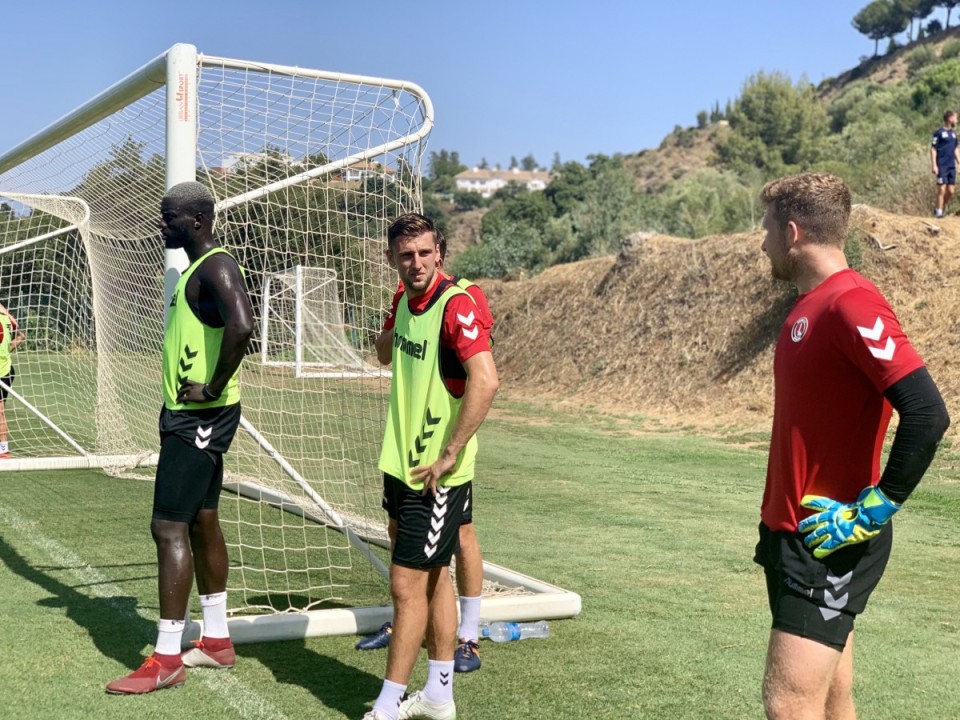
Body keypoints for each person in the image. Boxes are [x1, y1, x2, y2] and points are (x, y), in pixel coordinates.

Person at [754, 172, 949, 720]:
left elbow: (927, 414)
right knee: (831, 697)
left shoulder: (852, 303)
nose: (762, 243)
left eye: (766, 230)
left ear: (793, 233)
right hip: (792, 534)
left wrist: (875, 507)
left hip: (828, 543)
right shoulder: (808, 306)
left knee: (788, 704)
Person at [107, 181, 254, 695]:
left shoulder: (216, 265)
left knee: (167, 526)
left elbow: (242, 325)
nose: (161, 224)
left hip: (201, 417)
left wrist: (210, 387)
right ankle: (216, 640)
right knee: (201, 519)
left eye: (168, 217)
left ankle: (167, 657)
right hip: (189, 415)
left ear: (196, 220)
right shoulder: (193, 270)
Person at [364, 213, 498, 720]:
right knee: (434, 577)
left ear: (439, 252)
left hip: (435, 477)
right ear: (391, 258)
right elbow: (383, 355)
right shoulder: (403, 299)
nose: (417, 263)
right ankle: (440, 695)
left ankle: (386, 706)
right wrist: (387, 328)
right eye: (406, 255)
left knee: (406, 587)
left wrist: (451, 453)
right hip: (400, 464)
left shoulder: (456, 304)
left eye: (425, 253)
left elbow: (485, 380)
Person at [0, 302, 25, 459]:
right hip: (7, 368)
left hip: (1, 372)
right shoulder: (8, 320)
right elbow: (20, 337)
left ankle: (3, 450)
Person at [930, 109, 960, 218]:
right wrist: (934, 165)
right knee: (942, 189)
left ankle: (939, 207)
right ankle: (939, 213)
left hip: (951, 166)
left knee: (951, 191)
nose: (957, 120)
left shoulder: (953, 134)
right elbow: (933, 149)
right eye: (955, 118)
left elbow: (955, 148)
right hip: (941, 165)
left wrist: (959, 162)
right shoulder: (939, 133)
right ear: (950, 118)